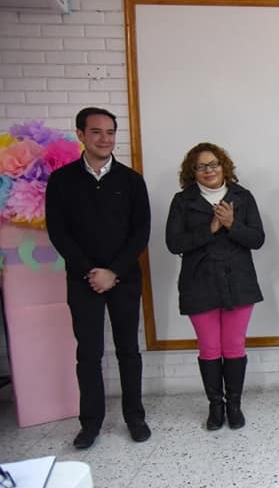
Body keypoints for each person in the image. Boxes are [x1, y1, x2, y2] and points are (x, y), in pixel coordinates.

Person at [45, 107, 152, 449]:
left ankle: (135, 417)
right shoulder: (61, 181)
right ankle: (90, 423)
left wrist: (114, 271)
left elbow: (141, 232)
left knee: (128, 350)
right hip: (83, 279)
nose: (105, 139)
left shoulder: (131, 180)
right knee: (89, 354)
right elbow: (59, 233)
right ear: (81, 135)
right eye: (96, 132)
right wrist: (91, 272)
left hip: (124, 278)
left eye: (110, 132)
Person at [165, 142, 265, 431]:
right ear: (192, 171)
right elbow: (174, 243)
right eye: (201, 166)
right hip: (199, 284)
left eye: (213, 164)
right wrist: (209, 229)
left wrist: (232, 224)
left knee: (234, 345)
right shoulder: (182, 201)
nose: (208, 170)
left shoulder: (242, 197)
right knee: (209, 347)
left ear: (224, 166)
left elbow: (257, 239)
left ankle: (234, 405)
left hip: (239, 283)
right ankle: (215, 406)